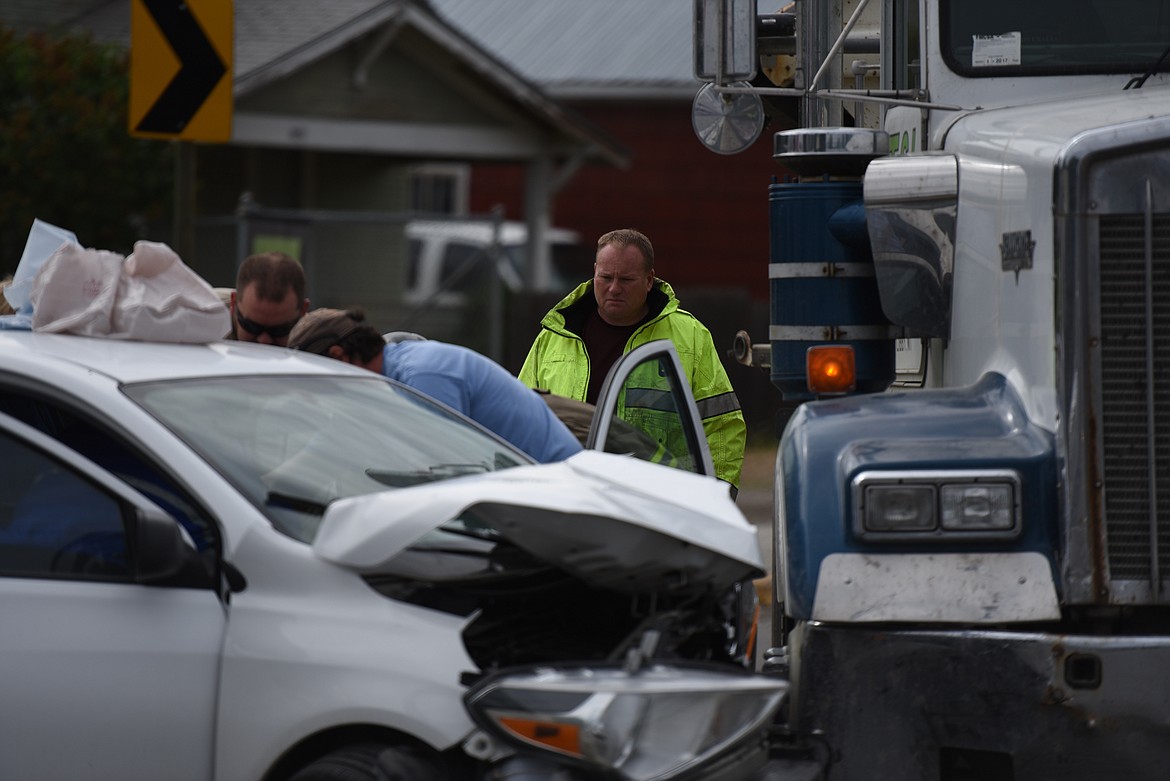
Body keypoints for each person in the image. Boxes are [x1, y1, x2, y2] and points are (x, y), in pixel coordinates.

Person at [518, 228, 746, 493]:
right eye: (605, 277)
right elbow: (521, 414)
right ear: (594, 272)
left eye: (626, 279)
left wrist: (718, 494)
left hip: (657, 500)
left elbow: (722, 424)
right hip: (567, 495)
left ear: (649, 280)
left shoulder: (690, 337)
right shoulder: (555, 337)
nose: (614, 288)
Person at [287, 307, 582, 464]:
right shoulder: (397, 373)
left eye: (322, 381)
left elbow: (441, 467)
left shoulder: (422, 376)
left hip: (556, 485)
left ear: (340, 356)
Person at [229, 252, 309, 346]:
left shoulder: (319, 340)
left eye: (280, 330)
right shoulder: (208, 325)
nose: (264, 340)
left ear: (303, 311)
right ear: (233, 304)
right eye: (251, 327)